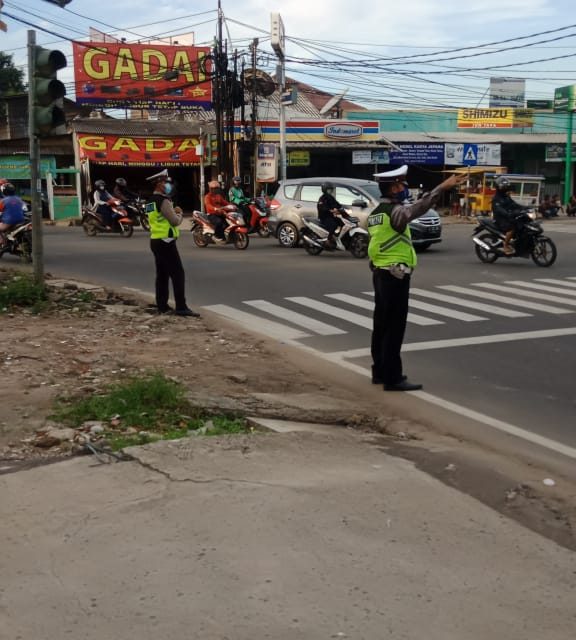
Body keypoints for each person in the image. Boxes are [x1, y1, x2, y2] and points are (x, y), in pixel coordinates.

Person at [368, 165, 465, 392]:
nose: (404, 188)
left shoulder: (376, 212)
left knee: (381, 325)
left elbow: (377, 243)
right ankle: (393, 378)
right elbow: (416, 210)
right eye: (401, 184)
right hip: (395, 274)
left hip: (381, 272)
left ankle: (379, 372)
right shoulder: (395, 212)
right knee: (394, 327)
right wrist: (442, 187)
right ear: (393, 187)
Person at [146, 169, 199, 318]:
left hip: (155, 240)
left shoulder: (149, 201)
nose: (167, 185)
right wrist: (180, 213)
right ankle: (181, 307)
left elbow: (153, 220)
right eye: (165, 182)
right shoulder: (163, 201)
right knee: (178, 274)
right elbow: (174, 221)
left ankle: (162, 305)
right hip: (166, 241)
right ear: (159, 184)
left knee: (162, 274)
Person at [492, 176, 527, 254]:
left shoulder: (506, 197)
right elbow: (499, 210)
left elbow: (514, 204)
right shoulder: (496, 198)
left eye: (506, 186)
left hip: (508, 216)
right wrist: (508, 213)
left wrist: (526, 208)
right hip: (500, 219)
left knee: (521, 224)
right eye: (504, 187)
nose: (505, 188)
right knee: (511, 229)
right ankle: (505, 245)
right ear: (499, 187)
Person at [317, 181, 347, 247]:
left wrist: (342, 208)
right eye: (329, 190)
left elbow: (337, 204)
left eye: (331, 190)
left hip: (331, 216)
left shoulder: (331, 197)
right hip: (324, 217)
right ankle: (328, 240)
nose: (330, 191)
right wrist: (330, 210)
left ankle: (337, 238)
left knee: (343, 223)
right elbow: (322, 208)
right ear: (325, 190)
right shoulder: (322, 199)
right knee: (334, 225)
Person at [0, 183, 25, 248]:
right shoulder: (19, 199)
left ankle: (1, 241)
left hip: (9, 222)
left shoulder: (3, 201)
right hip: (21, 221)